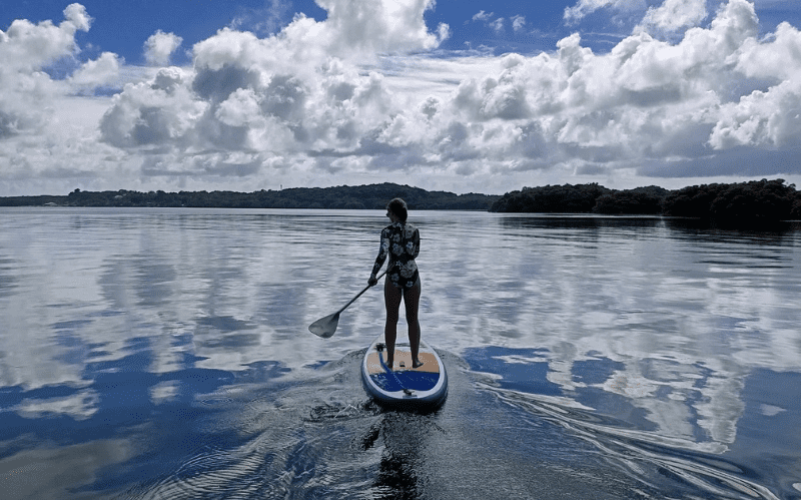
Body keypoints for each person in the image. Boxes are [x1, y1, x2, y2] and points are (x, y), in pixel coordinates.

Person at [368, 198, 422, 370]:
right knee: (413, 319)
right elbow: (415, 253)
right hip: (412, 276)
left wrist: (373, 274)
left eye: (388, 212)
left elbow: (382, 254)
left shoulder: (386, 232)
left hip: (394, 277)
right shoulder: (415, 230)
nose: (386, 215)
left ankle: (390, 361)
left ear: (394, 213)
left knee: (392, 319)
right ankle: (415, 360)